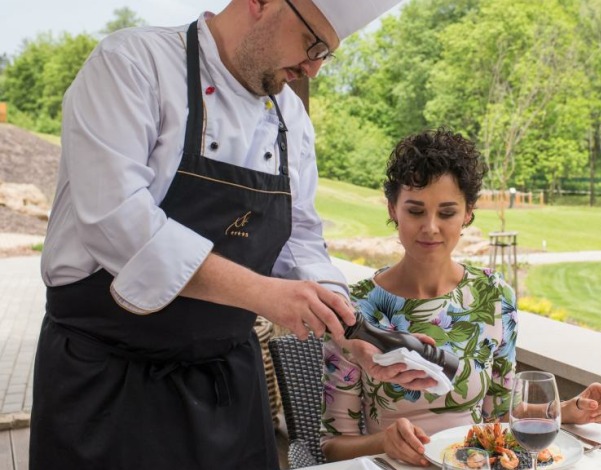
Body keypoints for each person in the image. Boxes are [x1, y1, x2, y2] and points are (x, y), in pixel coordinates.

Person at [30, 1, 402, 469]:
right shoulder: (132, 64)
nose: (313, 67)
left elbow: (300, 239)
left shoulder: (291, 118)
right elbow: (115, 222)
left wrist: (347, 328)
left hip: (227, 387)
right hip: (106, 383)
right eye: (312, 42)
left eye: (326, 53)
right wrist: (262, 293)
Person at [320, 129, 601, 466]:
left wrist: (571, 410)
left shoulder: (493, 296)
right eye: (415, 211)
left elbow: (500, 416)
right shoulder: (355, 308)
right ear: (393, 209)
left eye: (446, 213)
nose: (430, 227)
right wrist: (384, 442)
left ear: (468, 214)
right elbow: (332, 445)